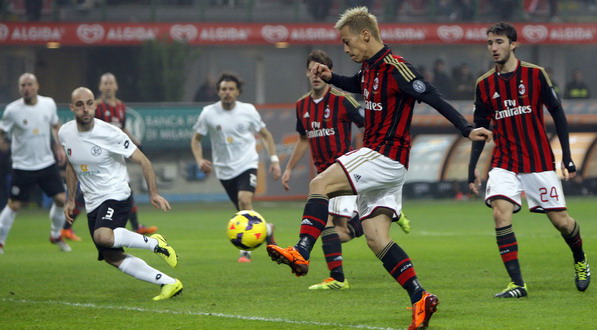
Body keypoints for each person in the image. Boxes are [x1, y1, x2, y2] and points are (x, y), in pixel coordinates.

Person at [266, 7, 492, 330]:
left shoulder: (396, 67)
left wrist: (465, 128)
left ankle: (302, 251)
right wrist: (332, 78)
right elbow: (356, 84)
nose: (345, 49)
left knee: (319, 184)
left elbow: (431, 95)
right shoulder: (370, 69)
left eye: (347, 43)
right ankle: (420, 296)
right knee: (375, 238)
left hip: (383, 155)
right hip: (389, 166)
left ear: (366, 35)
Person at [468, 22, 590, 298]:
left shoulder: (536, 75)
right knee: (500, 214)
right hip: (504, 161)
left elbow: (558, 114)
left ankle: (580, 259)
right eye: (490, 43)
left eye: (499, 42)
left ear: (513, 44)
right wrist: (473, 168)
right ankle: (517, 284)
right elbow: (480, 129)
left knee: (561, 221)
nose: (493, 48)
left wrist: (567, 158)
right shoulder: (484, 84)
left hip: (538, 161)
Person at [283, 49, 410, 290]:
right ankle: (339, 276)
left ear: (327, 72)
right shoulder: (302, 105)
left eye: (321, 70)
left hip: (349, 172)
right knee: (334, 229)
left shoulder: (343, 100)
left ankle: (338, 276)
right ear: (307, 73)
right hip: (325, 174)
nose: (316, 75)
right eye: (313, 70)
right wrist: (289, 167)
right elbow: (302, 139)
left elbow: (368, 125)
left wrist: (369, 158)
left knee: (330, 228)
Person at [60, 87, 182, 301]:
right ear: (72, 108)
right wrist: (71, 199)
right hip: (92, 201)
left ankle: (156, 243)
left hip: (116, 194)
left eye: (89, 103)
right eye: (79, 105)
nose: (85, 109)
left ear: (95, 105)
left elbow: (144, 160)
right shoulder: (65, 133)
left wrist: (153, 194)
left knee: (103, 236)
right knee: (112, 256)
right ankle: (169, 283)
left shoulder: (111, 133)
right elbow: (71, 165)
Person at [191, 72, 281, 263]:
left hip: (247, 163)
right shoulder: (208, 113)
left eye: (231, 89)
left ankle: (245, 250)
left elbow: (265, 135)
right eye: (223, 89)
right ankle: (268, 229)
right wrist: (199, 159)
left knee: (244, 200)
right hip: (224, 170)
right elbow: (196, 140)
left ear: (238, 92)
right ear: (218, 91)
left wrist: (274, 160)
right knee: (241, 209)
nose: (227, 92)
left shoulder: (248, 110)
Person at [62, 73, 158, 240]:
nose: (107, 86)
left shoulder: (121, 106)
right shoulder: (95, 106)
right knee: (88, 192)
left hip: (114, 156)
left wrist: (134, 140)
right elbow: (90, 129)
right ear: (100, 87)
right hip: (96, 157)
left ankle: (136, 227)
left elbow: (121, 128)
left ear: (116, 86)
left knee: (122, 190)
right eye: (104, 83)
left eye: (110, 83)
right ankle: (66, 228)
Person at [0, 73, 71, 254]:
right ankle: (0, 241)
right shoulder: (12, 110)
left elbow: (55, 125)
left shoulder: (48, 104)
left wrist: (59, 147)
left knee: (61, 199)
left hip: (46, 163)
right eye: (22, 85)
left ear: (37, 86)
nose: (26, 88)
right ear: (19, 88)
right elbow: (2, 131)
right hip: (22, 166)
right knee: (14, 205)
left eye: (29, 84)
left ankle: (55, 235)